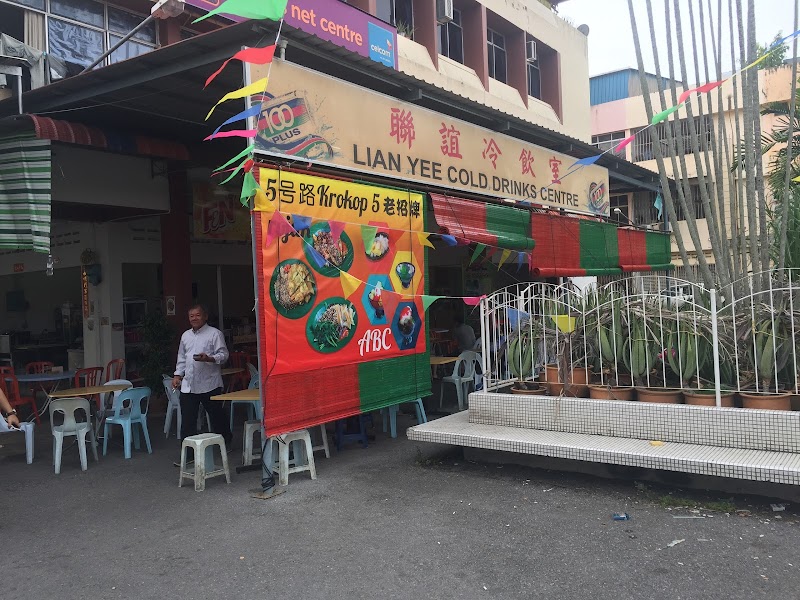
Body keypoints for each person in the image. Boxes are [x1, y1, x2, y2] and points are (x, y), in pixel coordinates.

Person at [172, 304, 232, 449]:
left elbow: (224, 355)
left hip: (209, 383)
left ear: (205, 316)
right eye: (191, 316)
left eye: (197, 315)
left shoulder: (214, 334)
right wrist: (177, 375)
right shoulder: (185, 335)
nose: (194, 318)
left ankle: (225, 443)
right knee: (187, 421)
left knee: (217, 417)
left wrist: (209, 358)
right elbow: (181, 357)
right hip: (189, 384)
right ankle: (188, 454)